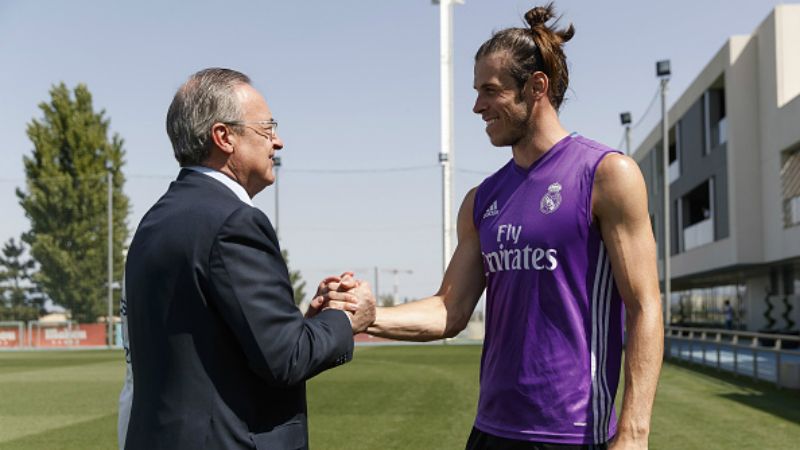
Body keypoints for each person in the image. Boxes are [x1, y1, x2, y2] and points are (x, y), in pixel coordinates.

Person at [322, 4, 663, 449]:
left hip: (572, 434)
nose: (477, 106)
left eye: (490, 90)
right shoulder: (481, 200)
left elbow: (644, 307)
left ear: (535, 87)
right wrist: (367, 317)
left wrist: (634, 433)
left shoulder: (606, 174)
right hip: (490, 431)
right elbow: (450, 309)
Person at [121, 68, 375, 450]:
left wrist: (306, 323)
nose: (278, 142)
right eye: (267, 129)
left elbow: (216, 342)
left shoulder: (157, 219)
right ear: (224, 137)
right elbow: (285, 359)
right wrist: (348, 317)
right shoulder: (234, 221)